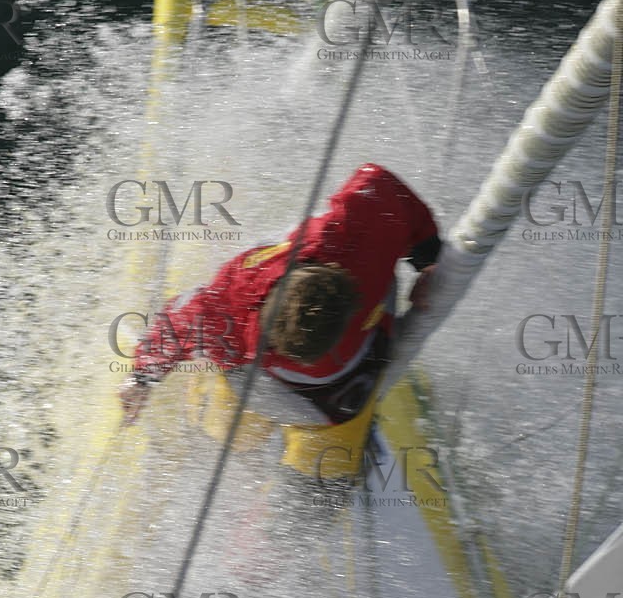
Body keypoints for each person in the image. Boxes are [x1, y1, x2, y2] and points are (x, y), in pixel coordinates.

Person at [119, 163, 440, 429]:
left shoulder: (228, 318)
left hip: (314, 404)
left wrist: (142, 378)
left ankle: (233, 420)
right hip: (355, 366)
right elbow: (378, 182)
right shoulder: (345, 238)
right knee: (383, 266)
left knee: (229, 365)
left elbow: (175, 326)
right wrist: (428, 261)